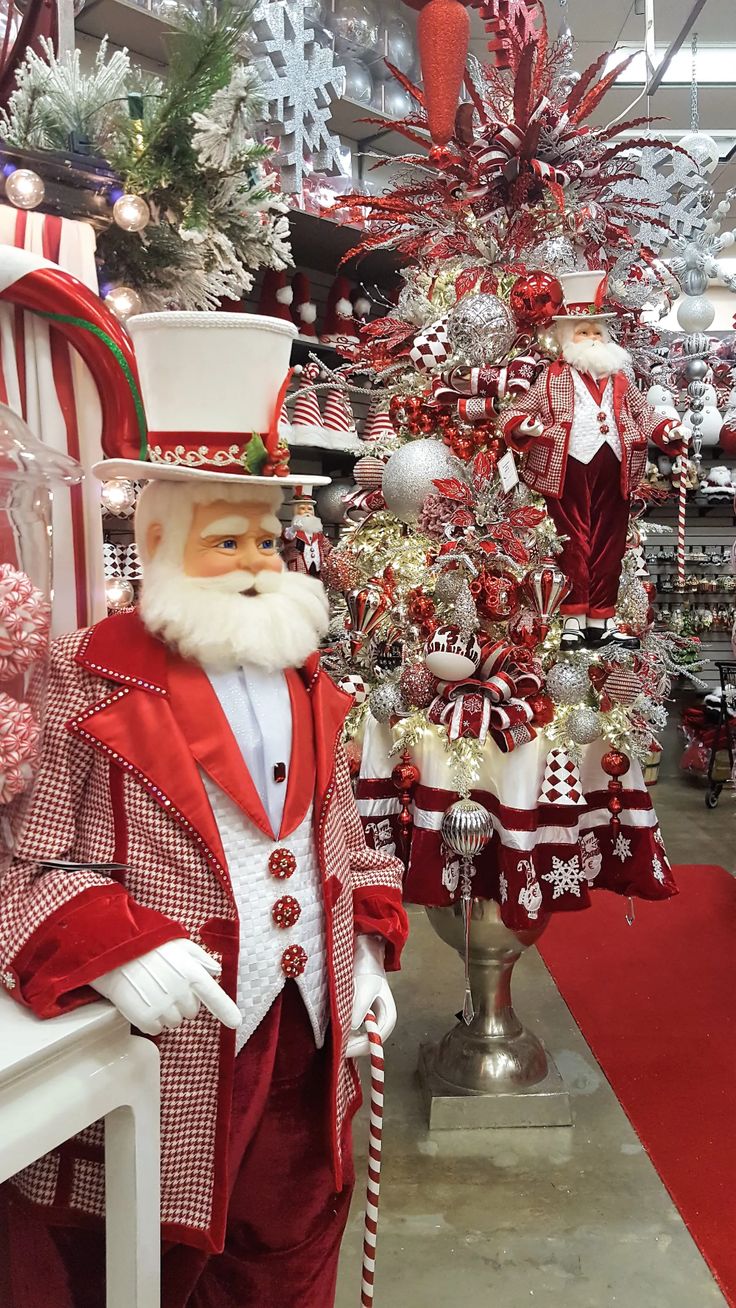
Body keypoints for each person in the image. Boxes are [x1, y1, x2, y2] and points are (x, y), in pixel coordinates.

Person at [0, 305, 408, 1308]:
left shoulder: (310, 678)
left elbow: (348, 840)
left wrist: (364, 953)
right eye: (230, 540)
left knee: (293, 1247)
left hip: (307, 1051)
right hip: (164, 1056)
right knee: (138, 1264)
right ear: (158, 541)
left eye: (270, 538)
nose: (266, 563)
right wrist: (115, 944)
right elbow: (28, 863)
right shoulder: (78, 679)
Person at [503, 270, 686, 650]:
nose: (592, 339)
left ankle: (600, 620)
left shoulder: (620, 380)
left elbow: (643, 415)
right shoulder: (553, 377)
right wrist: (526, 425)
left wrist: (666, 430)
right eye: (583, 333)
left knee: (610, 544)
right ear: (569, 338)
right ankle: (573, 617)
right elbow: (515, 413)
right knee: (573, 543)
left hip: (615, 468)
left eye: (597, 333)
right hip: (566, 467)